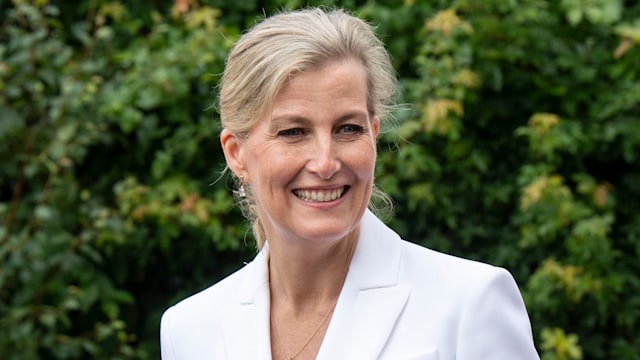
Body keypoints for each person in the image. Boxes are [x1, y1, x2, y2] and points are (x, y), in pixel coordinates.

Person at [160, 7, 540, 360]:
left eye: (348, 128)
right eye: (294, 132)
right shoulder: (191, 329)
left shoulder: (468, 303)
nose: (326, 162)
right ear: (236, 153)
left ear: (374, 135)